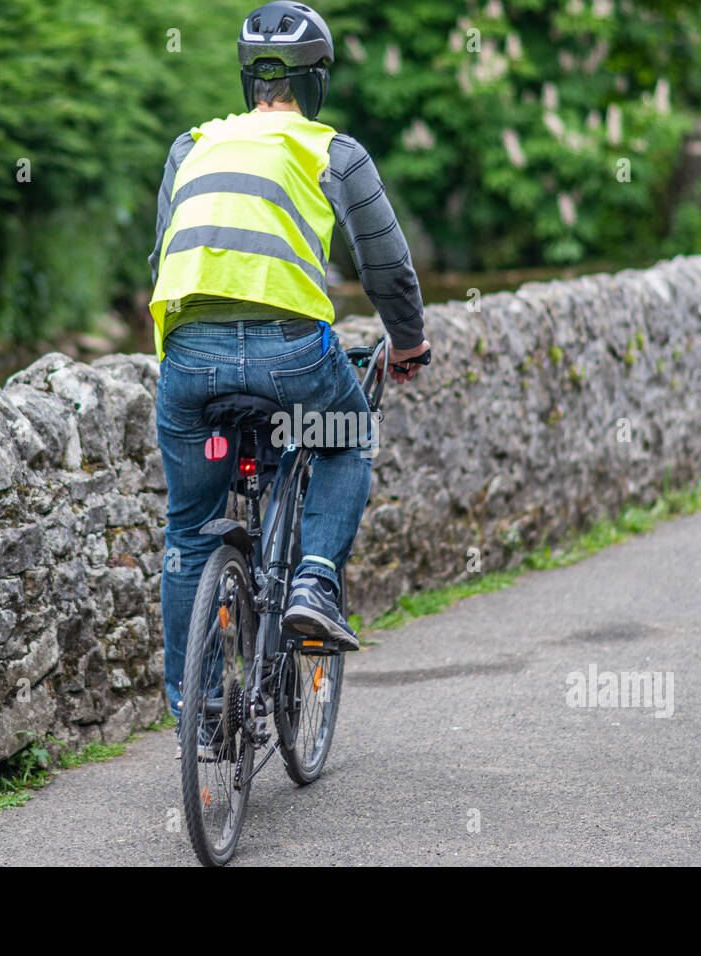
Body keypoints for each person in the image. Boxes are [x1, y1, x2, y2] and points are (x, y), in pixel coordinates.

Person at [149, 1, 431, 747]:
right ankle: (311, 582)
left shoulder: (190, 146)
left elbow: (163, 257)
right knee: (345, 437)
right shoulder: (333, 152)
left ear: (249, 81)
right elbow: (388, 271)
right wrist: (406, 346)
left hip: (189, 364)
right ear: (319, 82)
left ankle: (199, 716)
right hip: (290, 355)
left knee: (188, 531)